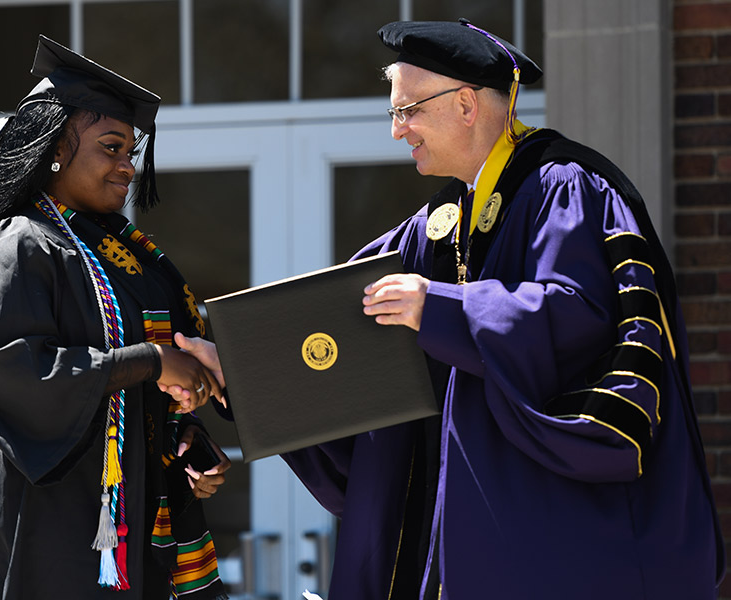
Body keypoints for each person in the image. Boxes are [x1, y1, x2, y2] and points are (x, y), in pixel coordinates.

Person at [280, 19, 725, 599]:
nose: (397, 131)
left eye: (408, 110)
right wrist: (238, 366)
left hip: (559, 546)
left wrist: (439, 308)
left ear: (466, 104)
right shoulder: (440, 226)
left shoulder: (566, 189)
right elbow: (334, 312)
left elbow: (575, 315)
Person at [0, 35, 232, 600]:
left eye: (131, 151)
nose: (128, 166)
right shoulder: (21, 244)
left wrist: (182, 440)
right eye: (111, 147)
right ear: (54, 148)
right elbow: (23, 375)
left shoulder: (123, 252)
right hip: (59, 526)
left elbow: (132, 398)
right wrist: (152, 362)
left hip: (138, 525)